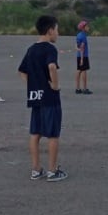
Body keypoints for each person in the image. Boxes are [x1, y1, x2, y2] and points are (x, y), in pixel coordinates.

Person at [20, 15, 67, 182]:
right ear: (50, 31)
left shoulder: (31, 49)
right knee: (53, 134)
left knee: (35, 133)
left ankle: (36, 169)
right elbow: (52, 67)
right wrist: (54, 85)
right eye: (57, 30)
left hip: (35, 96)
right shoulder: (50, 49)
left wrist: (34, 84)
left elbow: (22, 71)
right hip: (49, 97)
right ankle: (52, 171)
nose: (58, 33)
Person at [75, 20, 92, 95]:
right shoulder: (83, 36)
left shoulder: (78, 35)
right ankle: (85, 88)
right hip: (83, 56)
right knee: (84, 71)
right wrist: (82, 59)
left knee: (79, 71)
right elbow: (82, 48)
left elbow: (76, 46)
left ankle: (77, 88)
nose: (88, 27)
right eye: (87, 26)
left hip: (78, 55)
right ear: (83, 28)